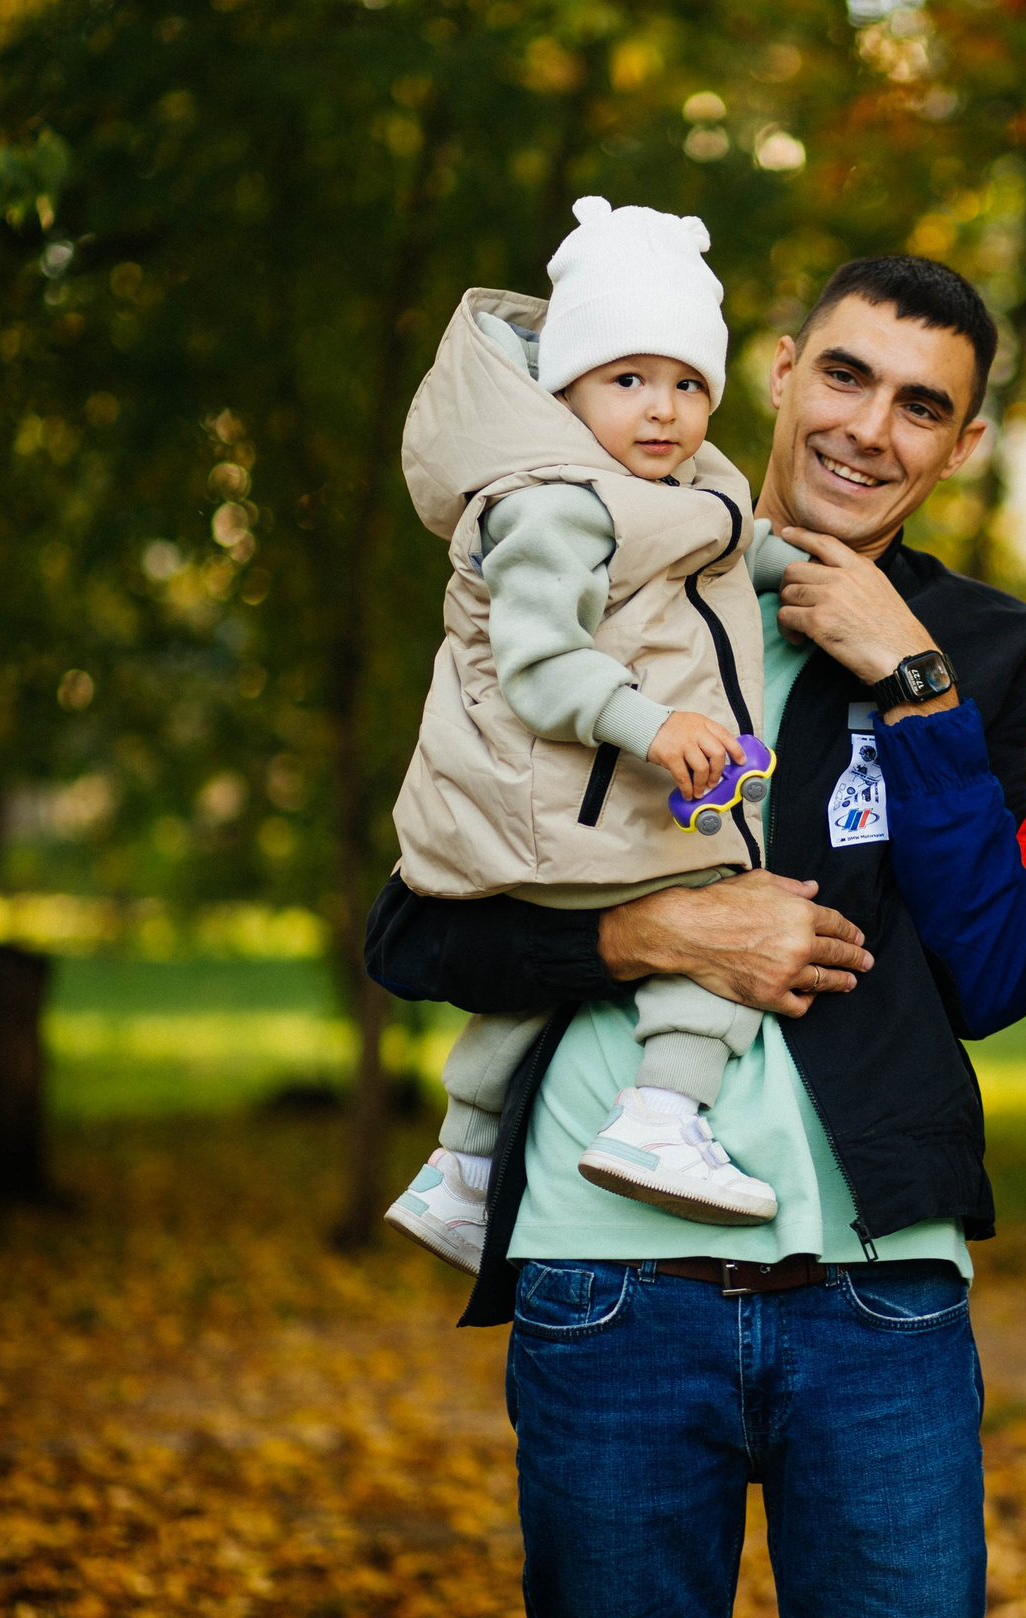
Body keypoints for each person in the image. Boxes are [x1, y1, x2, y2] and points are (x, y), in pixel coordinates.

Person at [365, 253, 1026, 1618]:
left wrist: (917, 680)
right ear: (776, 368)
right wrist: (655, 936)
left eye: (920, 405)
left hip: (882, 1295)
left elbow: (998, 970)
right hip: (607, 1274)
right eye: (845, 375)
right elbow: (419, 929)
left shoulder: (1006, 653)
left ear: (966, 444)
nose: (869, 428)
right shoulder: (568, 569)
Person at [385, 197, 819, 1253]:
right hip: (549, 799)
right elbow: (539, 665)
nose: (662, 410)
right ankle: (663, 1117)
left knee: (526, 1002)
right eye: (627, 380)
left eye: (685, 384)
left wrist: (798, 567)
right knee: (719, 908)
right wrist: (651, 723)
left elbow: (716, 548)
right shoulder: (549, 505)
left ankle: (462, 1163)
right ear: (564, 387)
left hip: (561, 816)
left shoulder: (656, 484)